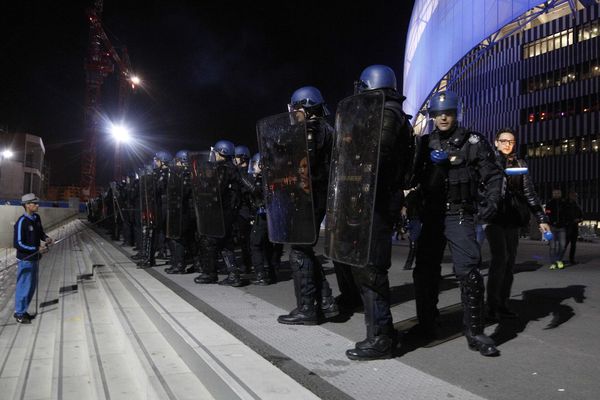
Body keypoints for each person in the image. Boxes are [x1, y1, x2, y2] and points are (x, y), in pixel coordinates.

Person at [412, 90, 502, 357]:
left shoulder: (472, 141)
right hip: (431, 215)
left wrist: (493, 201)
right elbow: (410, 176)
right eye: (438, 114)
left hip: (459, 213)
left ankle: (475, 332)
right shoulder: (424, 143)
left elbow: (493, 174)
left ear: (455, 114)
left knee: (469, 272)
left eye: (448, 113)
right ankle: (426, 324)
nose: (442, 118)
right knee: (424, 272)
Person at [333, 65, 414, 360]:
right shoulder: (387, 113)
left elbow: (376, 154)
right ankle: (382, 332)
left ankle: (381, 338)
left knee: (372, 270)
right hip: (373, 201)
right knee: (365, 268)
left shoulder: (387, 115)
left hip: (377, 202)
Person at [276, 86, 339, 325]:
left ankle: (307, 309)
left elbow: (305, 164)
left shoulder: (311, 130)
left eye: (296, 109)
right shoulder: (327, 129)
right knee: (305, 250)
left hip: (309, 198)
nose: (294, 114)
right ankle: (326, 303)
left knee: (299, 251)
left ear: (304, 107)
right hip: (317, 197)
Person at [484, 127, 551, 320]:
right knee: (500, 258)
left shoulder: (519, 164)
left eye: (511, 142)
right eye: (504, 141)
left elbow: (529, 193)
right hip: (494, 217)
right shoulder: (488, 162)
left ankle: (503, 303)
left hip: (512, 218)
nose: (507, 144)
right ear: (496, 142)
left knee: (509, 261)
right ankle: (492, 305)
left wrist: (541, 219)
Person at [13, 193, 53, 324]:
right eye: (34, 203)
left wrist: (46, 238)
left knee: (31, 287)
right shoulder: (21, 222)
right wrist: (35, 249)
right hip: (25, 260)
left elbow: (40, 232)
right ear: (27, 205)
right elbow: (18, 243)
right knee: (24, 286)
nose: (37, 205)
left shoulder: (36, 217)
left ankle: (23, 311)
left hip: (35, 258)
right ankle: (19, 313)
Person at [545, 188, 568, 270]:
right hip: (552, 227)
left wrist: (566, 223)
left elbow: (567, 214)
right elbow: (547, 214)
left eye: (558, 193)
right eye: (555, 193)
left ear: (561, 194)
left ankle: (558, 260)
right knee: (552, 246)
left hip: (562, 227)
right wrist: (550, 222)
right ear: (552, 194)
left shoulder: (564, 203)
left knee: (563, 246)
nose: (556, 194)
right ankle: (553, 263)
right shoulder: (549, 203)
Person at [564, 190, 583, 265]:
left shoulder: (577, 206)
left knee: (573, 245)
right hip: (567, 227)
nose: (575, 197)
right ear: (569, 196)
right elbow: (562, 215)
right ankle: (558, 259)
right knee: (564, 245)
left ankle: (572, 260)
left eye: (576, 196)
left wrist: (579, 220)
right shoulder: (565, 204)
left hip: (574, 228)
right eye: (573, 196)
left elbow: (581, 216)